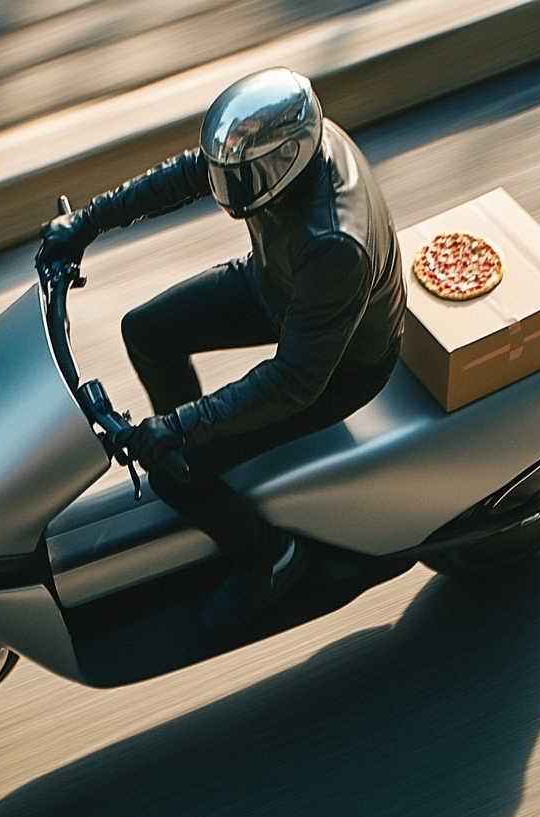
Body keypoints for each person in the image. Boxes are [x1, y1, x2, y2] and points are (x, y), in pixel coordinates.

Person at [37, 67, 406, 632]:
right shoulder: (284, 152)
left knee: (173, 464)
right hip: (281, 283)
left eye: (240, 179)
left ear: (289, 160)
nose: (227, 191)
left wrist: (182, 429)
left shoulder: (335, 244)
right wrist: (87, 223)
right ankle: (197, 474)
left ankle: (272, 556)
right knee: (146, 331)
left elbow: (295, 380)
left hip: (340, 363)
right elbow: (189, 174)